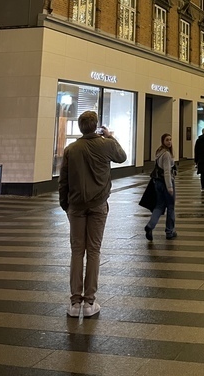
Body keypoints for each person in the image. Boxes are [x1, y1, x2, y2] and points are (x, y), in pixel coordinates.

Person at [59, 110, 127, 318]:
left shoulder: (71, 149)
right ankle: (90, 301)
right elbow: (122, 157)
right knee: (94, 251)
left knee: (77, 251)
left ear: (80, 127)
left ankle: (74, 302)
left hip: (76, 206)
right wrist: (110, 136)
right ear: (96, 125)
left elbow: (63, 181)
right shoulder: (105, 144)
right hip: (98, 205)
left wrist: (66, 205)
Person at [145, 133, 177, 241]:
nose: (169, 142)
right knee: (170, 207)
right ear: (163, 141)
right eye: (167, 140)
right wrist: (170, 187)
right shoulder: (167, 154)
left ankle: (150, 226)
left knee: (159, 206)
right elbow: (167, 171)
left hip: (157, 182)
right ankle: (169, 231)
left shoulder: (159, 152)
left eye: (170, 140)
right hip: (166, 183)